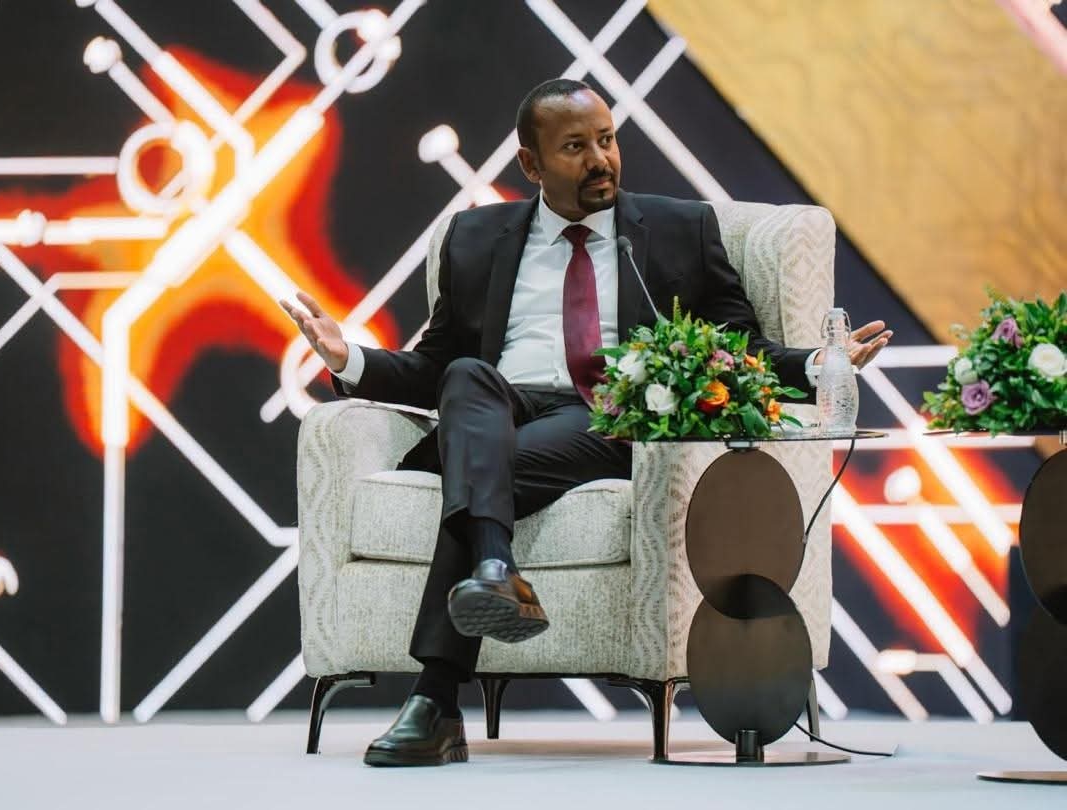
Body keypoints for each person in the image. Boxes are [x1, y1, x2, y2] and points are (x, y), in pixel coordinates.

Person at [280, 78, 891, 767]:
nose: (601, 160)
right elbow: (434, 367)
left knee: (484, 466)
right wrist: (350, 358)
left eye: (607, 140)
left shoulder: (678, 230)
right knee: (467, 376)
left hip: (607, 415)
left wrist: (817, 364)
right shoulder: (475, 238)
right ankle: (492, 570)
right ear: (531, 164)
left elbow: (740, 349)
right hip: (494, 408)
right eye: (575, 147)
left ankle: (437, 697)